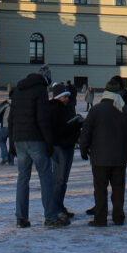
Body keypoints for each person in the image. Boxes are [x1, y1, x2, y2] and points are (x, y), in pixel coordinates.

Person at [10, 65, 69, 229]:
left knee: (23, 179)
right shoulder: (40, 90)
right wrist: (49, 143)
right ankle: (50, 217)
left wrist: (11, 142)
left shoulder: (18, 89)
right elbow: (43, 119)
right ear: (46, 79)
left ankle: (21, 218)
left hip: (19, 139)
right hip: (35, 139)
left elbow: (11, 118)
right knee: (46, 178)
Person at [78, 78, 127, 227]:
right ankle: (118, 217)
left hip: (99, 158)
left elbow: (86, 132)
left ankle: (100, 219)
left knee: (100, 190)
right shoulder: (125, 110)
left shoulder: (96, 110)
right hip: (119, 158)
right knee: (118, 189)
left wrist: (83, 150)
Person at [49, 83, 83, 218]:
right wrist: (73, 125)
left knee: (63, 180)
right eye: (64, 96)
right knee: (59, 179)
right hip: (59, 146)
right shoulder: (52, 109)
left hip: (68, 145)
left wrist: (78, 124)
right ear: (58, 96)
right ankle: (56, 208)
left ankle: (59, 206)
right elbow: (56, 130)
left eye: (67, 96)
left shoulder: (67, 108)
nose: (67, 99)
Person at [0, 89, 14, 164]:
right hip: (14, 127)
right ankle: (11, 160)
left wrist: (2, 121)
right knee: (12, 143)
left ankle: (5, 157)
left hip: (4, 126)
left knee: (2, 141)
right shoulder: (19, 104)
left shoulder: (4, 104)